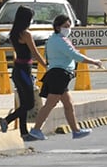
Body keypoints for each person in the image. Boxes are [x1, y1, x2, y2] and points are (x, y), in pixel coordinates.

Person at [26, 13, 102, 141]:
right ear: (57, 27)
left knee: (68, 104)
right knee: (50, 104)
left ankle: (76, 130)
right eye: (65, 26)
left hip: (59, 75)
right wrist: (94, 62)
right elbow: (75, 56)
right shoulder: (59, 41)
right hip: (59, 75)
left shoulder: (53, 39)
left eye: (69, 26)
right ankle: (36, 130)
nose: (68, 29)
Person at [0, 5, 46, 140]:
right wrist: (46, 65)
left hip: (17, 70)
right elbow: (35, 52)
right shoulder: (26, 34)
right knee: (29, 103)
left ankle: (24, 133)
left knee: (24, 103)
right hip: (24, 70)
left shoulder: (14, 33)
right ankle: (7, 120)